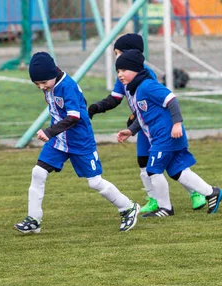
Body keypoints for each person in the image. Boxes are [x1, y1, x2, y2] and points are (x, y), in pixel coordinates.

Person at [14, 52, 140, 234]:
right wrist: (54, 133)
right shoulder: (50, 85)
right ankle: (34, 219)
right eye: (37, 84)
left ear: (53, 73)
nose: (41, 87)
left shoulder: (67, 86)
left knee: (95, 182)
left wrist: (49, 131)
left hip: (79, 141)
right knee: (38, 172)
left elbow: (74, 117)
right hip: (59, 140)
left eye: (43, 83)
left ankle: (128, 207)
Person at [87, 33, 206, 214]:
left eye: (118, 53)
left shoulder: (143, 75)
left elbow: (153, 102)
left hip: (155, 126)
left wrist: (138, 120)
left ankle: (196, 193)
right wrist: (97, 107)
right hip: (142, 127)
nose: (116, 58)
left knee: (167, 162)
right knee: (144, 162)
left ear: (130, 53)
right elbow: (115, 98)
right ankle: (154, 199)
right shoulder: (124, 74)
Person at [115, 50, 222, 216]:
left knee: (153, 170)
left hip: (166, 136)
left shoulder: (147, 85)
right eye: (118, 71)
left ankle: (165, 208)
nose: (120, 75)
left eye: (124, 70)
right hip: (164, 137)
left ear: (136, 69)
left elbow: (171, 99)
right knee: (177, 171)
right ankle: (211, 192)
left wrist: (177, 124)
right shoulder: (136, 90)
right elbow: (143, 117)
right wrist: (131, 130)